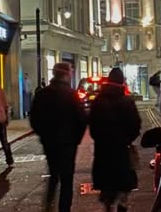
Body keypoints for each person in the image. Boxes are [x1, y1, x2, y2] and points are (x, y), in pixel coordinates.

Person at [30, 61, 86, 212]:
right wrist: (76, 139)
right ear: (66, 74)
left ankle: (48, 205)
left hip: (50, 142)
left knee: (53, 174)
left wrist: (43, 135)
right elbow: (81, 120)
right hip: (68, 143)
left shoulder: (42, 94)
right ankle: (64, 209)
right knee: (67, 180)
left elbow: (34, 117)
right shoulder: (71, 95)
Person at [89, 67, 141, 212]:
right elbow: (135, 126)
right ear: (121, 82)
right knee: (122, 186)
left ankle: (108, 204)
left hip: (103, 151)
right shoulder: (127, 102)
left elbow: (92, 127)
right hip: (121, 151)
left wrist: (101, 139)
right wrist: (126, 139)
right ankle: (121, 204)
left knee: (107, 185)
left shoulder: (98, 101)